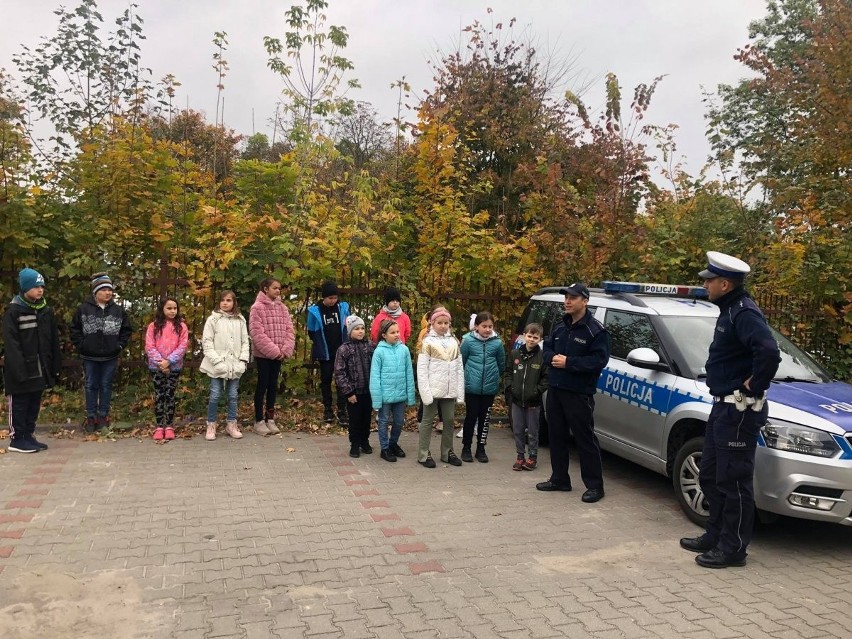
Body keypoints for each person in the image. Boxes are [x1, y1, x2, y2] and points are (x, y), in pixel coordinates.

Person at [680, 251, 781, 569]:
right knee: (710, 475)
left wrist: (754, 385)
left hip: (739, 412)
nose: (705, 285)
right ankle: (715, 535)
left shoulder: (744, 311)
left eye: (709, 280)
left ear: (725, 283)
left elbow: (768, 351)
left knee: (733, 481)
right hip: (723, 409)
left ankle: (733, 549)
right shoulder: (730, 309)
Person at [537, 283, 610, 503]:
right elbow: (547, 348)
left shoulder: (595, 331)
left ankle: (595, 486)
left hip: (578, 393)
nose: (567, 301)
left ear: (585, 301)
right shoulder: (560, 326)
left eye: (573, 297)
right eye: (566, 297)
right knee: (556, 435)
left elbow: (599, 361)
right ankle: (560, 479)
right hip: (556, 389)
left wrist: (570, 362)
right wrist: (551, 358)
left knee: (584, 438)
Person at [2, 268, 61, 453]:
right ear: (25, 287)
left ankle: (28, 435)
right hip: (20, 369)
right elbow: (11, 343)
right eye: (36, 286)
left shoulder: (45, 310)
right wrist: (19, 369)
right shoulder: (13, 311)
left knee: (34, 403)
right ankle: (17, 439)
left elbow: (53, 339)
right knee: (20, 403)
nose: (40, 290)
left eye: (42, 286)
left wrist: (54, 365)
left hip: (40, 367)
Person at [69, 272, 132, 431]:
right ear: (95, 291)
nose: (108, 293)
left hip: (110, 356)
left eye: (110, 290)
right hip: (89, 356)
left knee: (106, 385)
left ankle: (103, 415)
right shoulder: (83, 309)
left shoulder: (118, 310)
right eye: (104, 289)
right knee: (91, 385)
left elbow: (126, 330)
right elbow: (74, 329)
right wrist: (82, 345)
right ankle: (91, 417)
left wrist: (119, 346)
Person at [415, 307, 465, 468]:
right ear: (432, 322)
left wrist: (459, 391)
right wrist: (425, 392)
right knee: (427, 421)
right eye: (439, 323)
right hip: (432, 389)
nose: (443, 326)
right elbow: (422, 370)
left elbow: (459, 368)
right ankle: (424, 453)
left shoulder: (453, 342)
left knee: (449, 420)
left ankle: (447, 452)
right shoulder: (428, 342)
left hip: (449, 391)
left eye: (446, 323)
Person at [200, 290, 250, 441]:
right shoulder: (213, 319)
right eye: (222, 300)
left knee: (233, 396)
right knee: (215, 395)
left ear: (234, 303)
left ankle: (231, 423)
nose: (225, 303)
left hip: (235, 365)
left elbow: (245, 342)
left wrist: (243, 361)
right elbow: (207, 342)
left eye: (229, 300)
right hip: (217, 365)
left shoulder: (240, 320)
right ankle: (211, 424)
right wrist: (217, 362)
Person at [249, 276, 295, 436]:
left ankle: (270, 418)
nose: (278, 290)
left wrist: (285, 350)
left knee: (273, 386)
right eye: (275, 287)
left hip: (279, 355)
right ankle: (259, 420)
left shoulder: (283, 308)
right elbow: (257, 333)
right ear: (265, 289)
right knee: (262, 385)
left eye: (279, 288)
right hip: (264, 355)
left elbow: (290, 330)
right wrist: (275, 351)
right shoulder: (257, 308)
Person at [459, 311, 505, 463]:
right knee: (471, 417)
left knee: (485, 419)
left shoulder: (497, 343)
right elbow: (462, 361)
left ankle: (481, 448)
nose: (487, 329)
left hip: (489, 388)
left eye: (490, 326)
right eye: (484, 326)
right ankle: (466, 447)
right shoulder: (468, 342)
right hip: (472, 387)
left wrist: (495, 377)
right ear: (476, 326)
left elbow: (501, 363)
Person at [369, 319, 416, 462]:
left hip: (400, 395)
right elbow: (375, 377)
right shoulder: (379, 352)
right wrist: (377, 400)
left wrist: (410, 395)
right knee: (383, 422)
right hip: (385, 396)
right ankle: (384, 448)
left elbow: (409, 373)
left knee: (399, 421)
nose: (396, 335)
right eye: (392, 332)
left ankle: (393, 443)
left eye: (398, 332)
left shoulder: (404, 350)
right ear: (384, 335)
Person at [144, 297, 189, 441]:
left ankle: (169, 425)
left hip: (174, 367)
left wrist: (169, 361)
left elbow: (182, 346)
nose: (172, 311)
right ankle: (159, 426)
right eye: (169, 308)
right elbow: (149, 346)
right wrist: (160, 363)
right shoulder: (153, 326)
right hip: (156, 367)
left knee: (170, 395)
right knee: (159, 395)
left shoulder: (181, 326)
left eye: (175, 308)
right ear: (162, 309)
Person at [505, 323, 548, 471]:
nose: (531, 340)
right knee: (517, 429)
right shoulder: (515, 354)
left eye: (535, 337)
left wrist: (536, 391)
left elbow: (546, 378)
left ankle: (533, 457)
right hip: (517, 400)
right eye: (529, 336)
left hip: (533, 402)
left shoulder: (542, 357)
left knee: (532, 431)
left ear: (540, 339)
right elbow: (508, 372)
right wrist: (511, 387)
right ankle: (520, 456)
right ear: (524, 335)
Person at [307, 281, 350, 424]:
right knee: (326, 381)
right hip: (325, 353)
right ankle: (328, 409)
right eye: (330, 298)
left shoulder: (342, 309)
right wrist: (319, 343)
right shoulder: (315, 311)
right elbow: (311, 331)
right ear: (324, 297)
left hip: (341, 352)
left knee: (341, 381)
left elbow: (348, 327)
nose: (333, 301)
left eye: (335, 298)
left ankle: (342, 410)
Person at [333, 315, 375, 458]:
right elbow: (339, 372)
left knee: (366, 419)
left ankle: (365, 441)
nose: (360, 331)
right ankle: (355, 444)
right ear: (350, 331)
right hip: (354, 393)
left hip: (368, 391)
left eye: (362, 328)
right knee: (355, 420)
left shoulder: (370, 346)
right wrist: (348, 392)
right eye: (356, 329)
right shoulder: (344, 349)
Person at [415, 304, 447, 432]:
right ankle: (421, 420)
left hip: (443, 371)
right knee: (426, 397)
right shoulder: (425, 332)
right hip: (429, 370)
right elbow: (420, 350)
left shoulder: (448, 333)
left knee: (443, 397)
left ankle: (442, 421)